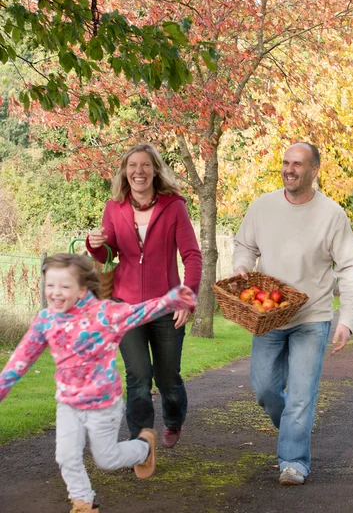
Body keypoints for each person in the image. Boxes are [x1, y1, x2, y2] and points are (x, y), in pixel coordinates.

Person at [0, 253, 196, 513]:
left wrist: (172, 299)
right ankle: (84, 501)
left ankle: (143, 448)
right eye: (50, 285)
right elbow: (21, 358)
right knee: (66, 457)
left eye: (64, 286)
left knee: (106, 458)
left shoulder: (105, 314)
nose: (55, 293)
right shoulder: (46, 320)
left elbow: (139, 311)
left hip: (103, 404)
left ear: (82, 289)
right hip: (68, 404)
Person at [233, 142, 353, 486]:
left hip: (312, 317)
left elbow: (351, 267)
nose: (289, 169)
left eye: (297, 164)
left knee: (303, 395)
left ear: (314, 171)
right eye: (286, 162)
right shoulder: (263, 207)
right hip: (268, 316)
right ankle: (294, 425)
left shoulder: (331, 215)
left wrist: (347, 320)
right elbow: (245, 245)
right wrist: (241, 267)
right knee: (264, 390)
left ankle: (293, 461)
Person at [86, 143, 202, 448]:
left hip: (166, 306)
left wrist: (188, 298)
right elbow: (108, 252)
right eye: (132, 165)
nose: (139, 171)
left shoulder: (173, 206)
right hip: (125, 306)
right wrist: (94, 242)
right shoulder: (114, 207)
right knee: (138, 376)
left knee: (167, 379)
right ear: (125, 172)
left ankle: (174, 419)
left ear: (155, 170)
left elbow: (192, 255)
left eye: (145, 165)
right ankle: (140, 441)